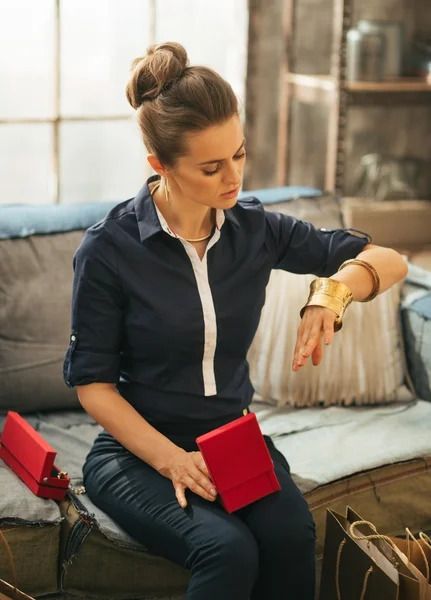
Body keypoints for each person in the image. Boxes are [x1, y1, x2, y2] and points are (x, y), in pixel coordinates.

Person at [63, 42, 408, 600]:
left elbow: (390, 260)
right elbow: (93, 388)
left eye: (239, 155)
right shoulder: (109, 249)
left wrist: (332, 294)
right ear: (160, 165)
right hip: (136, 453)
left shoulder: (254, 229)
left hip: (232, 440)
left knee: (293, 535)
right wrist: (174, 462)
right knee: (227, 550)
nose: (234, 177)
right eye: (211, 166)